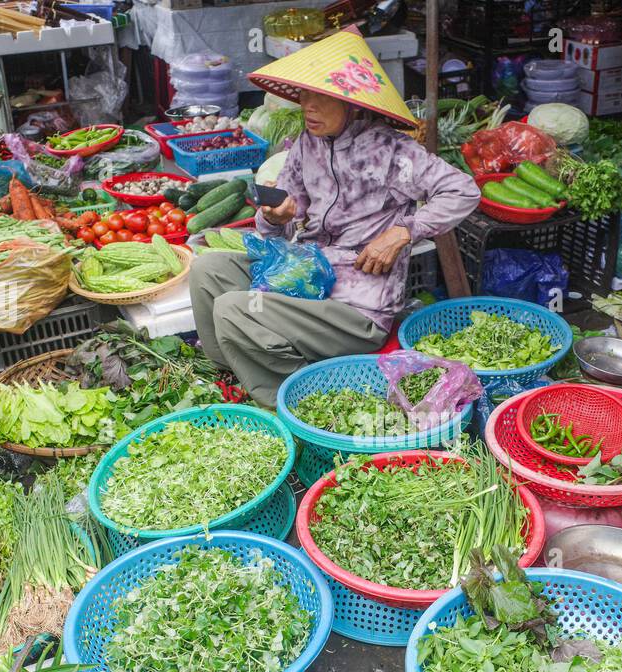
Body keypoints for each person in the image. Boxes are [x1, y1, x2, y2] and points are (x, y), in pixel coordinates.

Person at [186, 28, 480, 407]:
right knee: (208, 271)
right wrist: (276, 218)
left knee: (234, 307)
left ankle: (287, 400)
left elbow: (464, 191)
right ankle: (234, 369)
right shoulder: (306, 147)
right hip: (309, 275)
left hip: (357, 307)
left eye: (322, 97)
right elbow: (281, 229)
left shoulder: (391, 151)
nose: (308, 106)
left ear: (351, 102)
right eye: (305, 94)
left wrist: (402, 232)